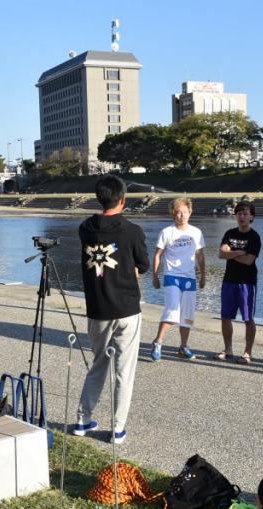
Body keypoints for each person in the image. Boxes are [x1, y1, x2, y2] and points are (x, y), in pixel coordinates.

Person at [74, 175, 149, 445]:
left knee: (98, 365)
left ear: (99, 198)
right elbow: (143, 265)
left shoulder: (85, 228)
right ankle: (117, 428)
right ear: (123, 200)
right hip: (127, 307)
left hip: (97, 308)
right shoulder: (133, 231)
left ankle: (83, 420)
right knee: (123, 371)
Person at [150, 197, 205, 361]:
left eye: (185, 212)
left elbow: (201, 256)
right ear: (173, 214)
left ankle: (183, 346)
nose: (181, 215)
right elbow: (158, 255)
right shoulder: (167, 232)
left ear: (190, 213)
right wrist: (155, 276)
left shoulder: (196, 232)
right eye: (178, 212)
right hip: (172, 277)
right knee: (172, 310)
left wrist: (203, 276)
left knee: (187, 315)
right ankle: (158, 342)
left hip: (190, 278)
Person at [216, 200, 262, 363]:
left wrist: (231, 253)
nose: (241, 216)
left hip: (247, 282)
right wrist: (238, 252)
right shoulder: (229, 233)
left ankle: (247, 352)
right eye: (239, 213)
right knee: (225, 316)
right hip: (229, 280)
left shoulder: (254, 237)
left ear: (251, 217)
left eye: (245, 214)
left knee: (248, 318)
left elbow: (249, 260)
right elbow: (221, 255)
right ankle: (228, 349)